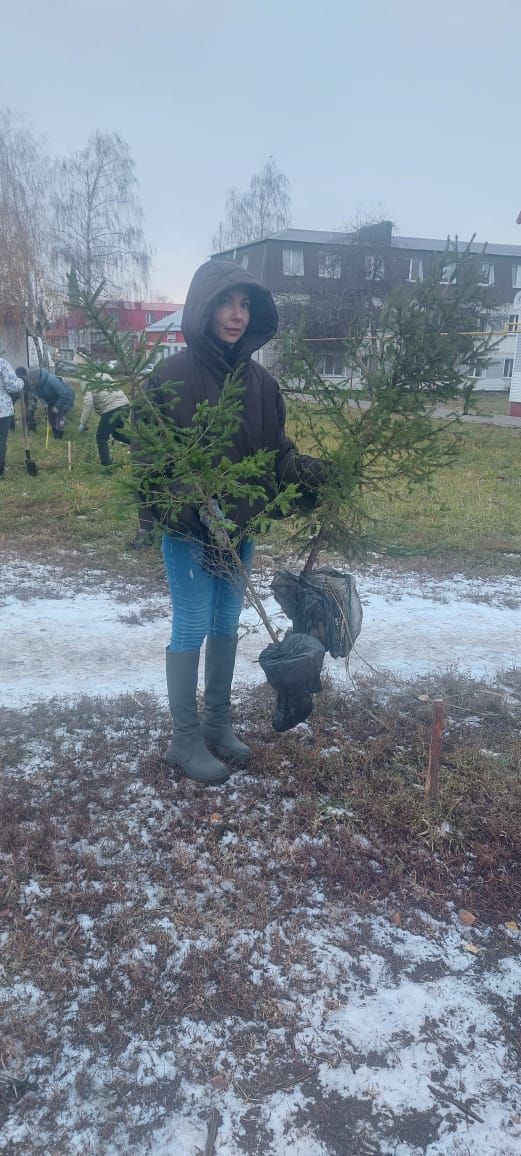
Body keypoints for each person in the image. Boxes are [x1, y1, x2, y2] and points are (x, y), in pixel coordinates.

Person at [136, 258, 324, 786]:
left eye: (245, 305)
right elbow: (149, 471)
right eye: (225, 302)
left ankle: (217, 725)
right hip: (189, 533)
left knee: (224, 626)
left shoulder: (262, 385)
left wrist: (315, 477)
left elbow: (276, 458)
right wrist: (191, 508)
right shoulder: (169, 379)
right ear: (204, 306)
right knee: (192, 625)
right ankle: (184, 737)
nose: (236, 314)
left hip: (238, 530)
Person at [77, 357, 130, 466]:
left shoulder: (85, 378)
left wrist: (83, 423)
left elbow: (88, 402)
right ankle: (142, 446)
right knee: (117, 433)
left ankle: (106, 466)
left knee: (101, 437)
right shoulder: (101, 373)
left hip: (112, 407)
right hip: (125, 404)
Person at [16, 366, 75, 439]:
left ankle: (59, 436)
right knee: (51, 417)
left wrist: (57, 406)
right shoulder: (36, 385)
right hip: (52, 400)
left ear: (37, 377)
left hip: (65, 398)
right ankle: (55, 433)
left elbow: (63, 394)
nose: (31, 382)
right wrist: (45, 404)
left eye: (33, 380)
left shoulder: (51, 380)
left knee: (59, 417)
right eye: (30, 380)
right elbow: (40, 396)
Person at [0, 358, 24, 477]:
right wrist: (20, 381)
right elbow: (12, 386)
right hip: (2, 410)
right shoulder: (2, 363)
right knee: (0, 440)